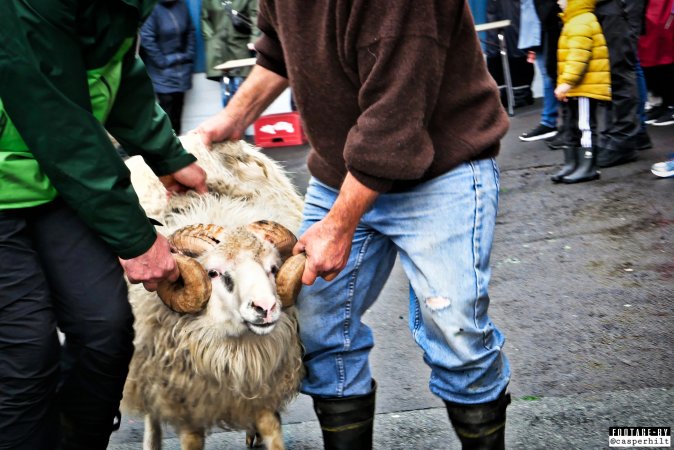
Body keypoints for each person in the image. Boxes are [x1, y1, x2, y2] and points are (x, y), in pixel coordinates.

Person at [195, 1, 512, 448]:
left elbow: (395, 119)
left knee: (455, 328)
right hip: (341, 170)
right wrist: (234, 117)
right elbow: (280, 48)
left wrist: (339, 226)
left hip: (443, 171)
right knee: (321, 325)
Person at [0, 1, 208, 449]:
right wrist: (136, 238)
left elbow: (115, 72)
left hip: (54, 184)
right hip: (30, 168)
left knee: (104, 328)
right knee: (27, 351)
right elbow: (57, 117)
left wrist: (167, 155)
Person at [551, 0, 611, 184]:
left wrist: (566, 82)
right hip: (576, 87)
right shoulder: (574, 21)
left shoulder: (581, 21)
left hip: (585, 86)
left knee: (585, 125)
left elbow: (579, 56)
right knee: (571, 125)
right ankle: (572, 162)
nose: (558, 1)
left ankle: (588, 165)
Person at [593, 0, 647, 167]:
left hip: (619, 6)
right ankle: (622, 135)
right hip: (611, 6)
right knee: (612, 70)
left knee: (620, 69)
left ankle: (623, 139)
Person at [140, 0, 196, 135]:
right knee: (167, 111)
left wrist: (188, 55)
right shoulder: (152, 8)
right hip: (162, 71)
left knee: (178, 110)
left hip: (182, 68)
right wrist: (163, 61)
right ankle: (168, 147)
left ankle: (178, 146)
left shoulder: (181, 5)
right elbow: (147, 38)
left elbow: (190, 31)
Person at [201, 0, 259, 107]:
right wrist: (211, 39)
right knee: (226, 94)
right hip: (219, 51)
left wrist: (254, 40)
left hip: (240, 48)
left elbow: (256, 16)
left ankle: (241, 121)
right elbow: (205, 18)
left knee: (241, 92)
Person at [518, 0, 561, 142]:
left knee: (552, 75)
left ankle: (551, 122)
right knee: (549, 75)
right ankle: (550, 122)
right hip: (540, 23)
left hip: (549, 21)